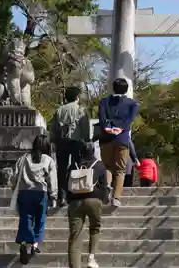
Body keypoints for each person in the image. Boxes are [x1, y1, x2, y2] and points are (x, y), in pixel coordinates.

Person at [11, 134, 57, 264]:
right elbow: (52, 180)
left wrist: (13, 187)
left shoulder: (23, 158)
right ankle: (34, 245)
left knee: (26, 218)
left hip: (24, 192)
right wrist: (53, 196)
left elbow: (14, 177)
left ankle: (24, 243)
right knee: (40, 219)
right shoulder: (48, 160)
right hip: (40, 193)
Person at [98, 78, 139, 207]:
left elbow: (101, 117)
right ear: (126, 89)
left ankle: (107, 186)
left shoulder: (104, 102)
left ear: (113, 88)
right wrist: (120, 127)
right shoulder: (132, 104)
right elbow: (130, 119)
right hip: (122, 138)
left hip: (106, 138)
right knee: (120, 169)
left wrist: (107, 128)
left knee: (107, 166)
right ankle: (116, 198)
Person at [67, 142, 107, 268]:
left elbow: (67, 183)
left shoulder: (73, 164)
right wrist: (103, 199)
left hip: (75, 202)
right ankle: (91, 258)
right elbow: (104, 185)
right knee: (95, 228)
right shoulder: (100, 165)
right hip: (94, 200)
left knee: (75, 237)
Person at [50, 86, 90, 206]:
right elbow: (85, 128)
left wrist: (53, 140)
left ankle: (61, 196)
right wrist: (86, 140)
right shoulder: (80, 110)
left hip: (61, 142)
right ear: (77, 97)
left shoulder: (59, 110)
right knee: (76, 167)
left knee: (61, 169)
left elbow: (53, 128)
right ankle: (74, 194)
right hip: (76, 142)